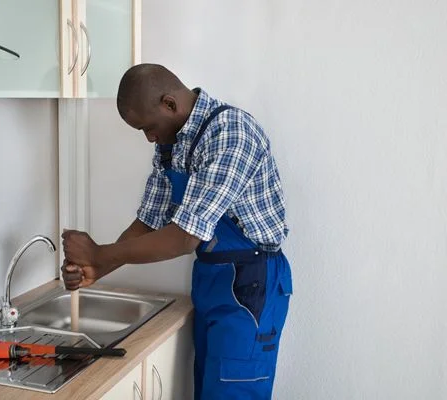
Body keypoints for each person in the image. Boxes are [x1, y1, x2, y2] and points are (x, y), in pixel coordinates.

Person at [61, 63, 293, 400]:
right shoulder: (172, 144)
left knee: (236, 392)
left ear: (170, 104)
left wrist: (99, 253)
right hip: (213, 281)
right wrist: (97, 267)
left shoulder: (230, 133)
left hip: (252, 285)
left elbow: (185, 236)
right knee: (209, 391)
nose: (149, 138)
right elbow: (150, 221)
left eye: (149, 127)